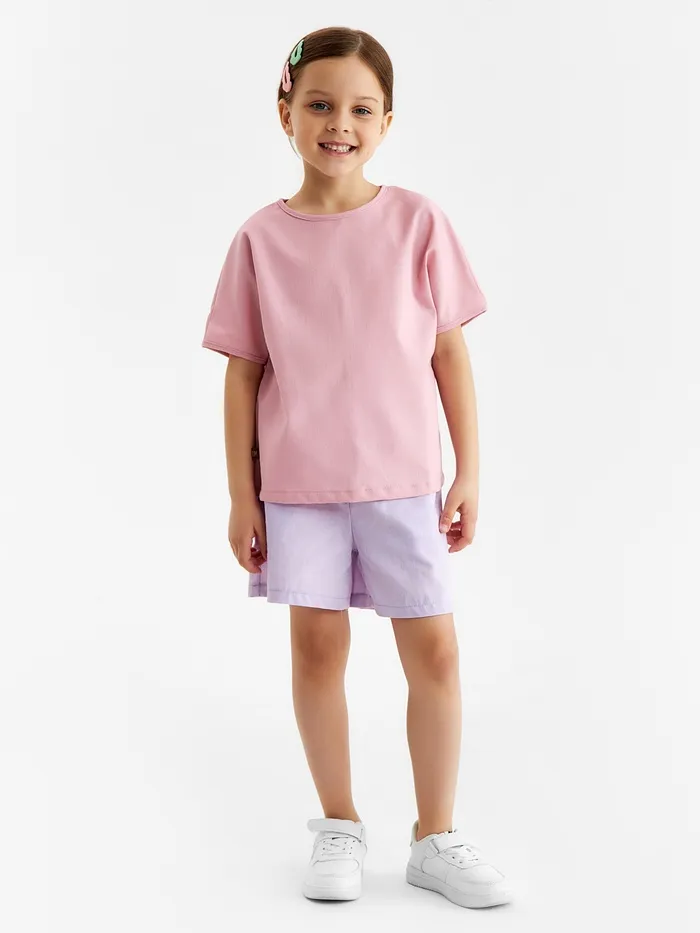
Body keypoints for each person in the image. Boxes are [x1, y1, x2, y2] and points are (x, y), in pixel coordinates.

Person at [201, 25, 512, 910]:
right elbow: (242, 372)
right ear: (285, 113)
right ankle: (338, 822)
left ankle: (434, 834)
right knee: (316, 648)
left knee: (435, 650)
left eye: (361, 109)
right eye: (320, 105)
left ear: (387, 122)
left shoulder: (418, 222)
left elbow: (449, 353)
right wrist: (241, 495)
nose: (340, 123)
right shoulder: (260, 239)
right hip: (299, 485)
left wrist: (469, 470)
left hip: (405, 481)